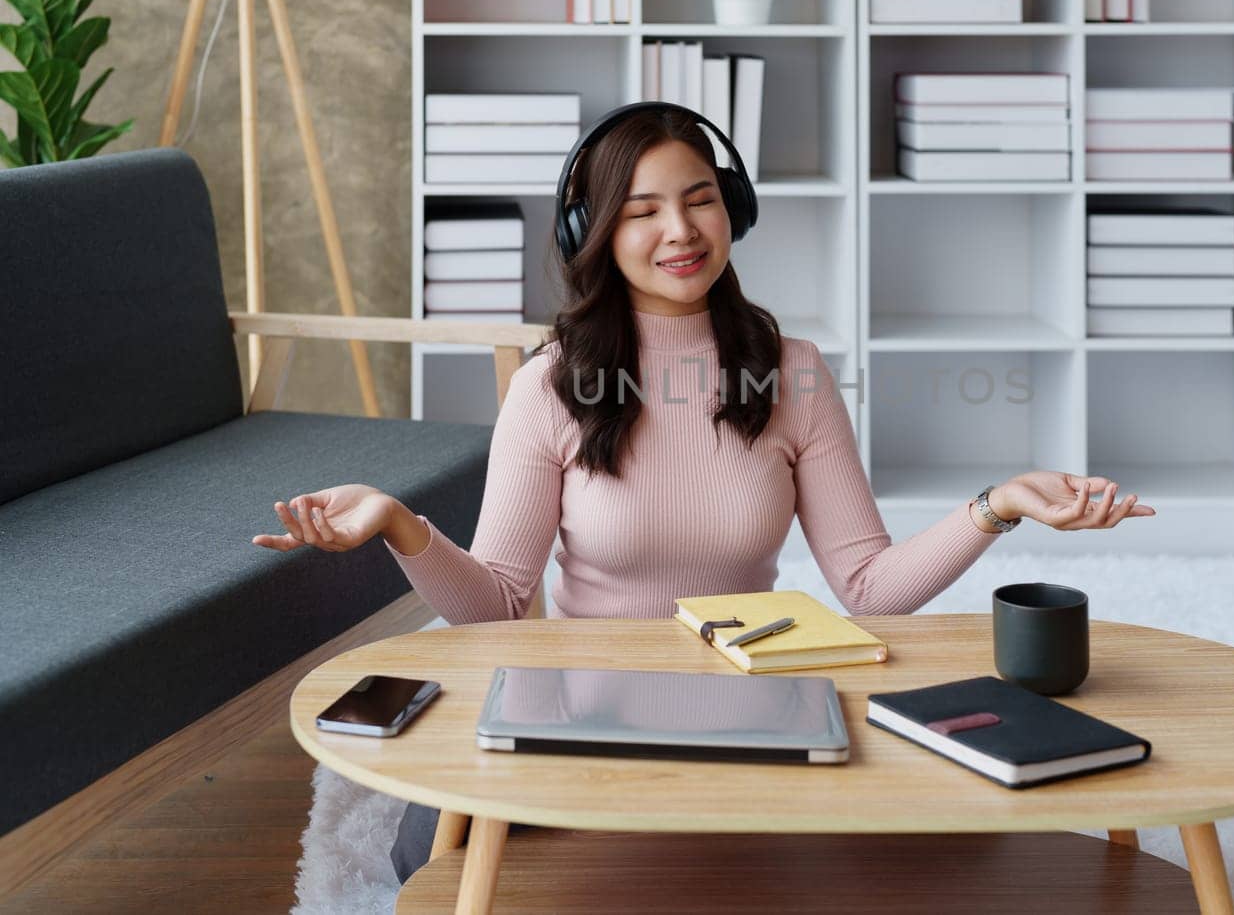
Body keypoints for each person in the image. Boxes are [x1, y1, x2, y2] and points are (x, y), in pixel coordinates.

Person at [251, 104, 1155, 882]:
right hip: (581, 698)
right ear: (594, 231)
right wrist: (399, 524)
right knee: (437, 860)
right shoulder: (551, 384)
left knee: (904, 847)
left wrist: (997, 503)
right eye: (643, 211)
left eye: (700, 200)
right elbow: (496, 607)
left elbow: (873, 589)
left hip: (751, 699)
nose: (681, 232)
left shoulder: (792, 375)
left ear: (733, 211)